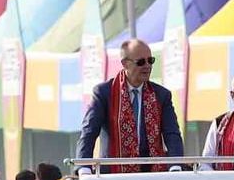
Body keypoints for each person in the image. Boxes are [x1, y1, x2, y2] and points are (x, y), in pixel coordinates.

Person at [77, 39, 184, 172]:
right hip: (112, 177)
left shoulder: (161, 95)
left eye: (150, 61)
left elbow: (172, 134)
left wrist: (175, 165)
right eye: (140, 62)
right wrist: (84, 167)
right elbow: (89, 132)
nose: (147, 66)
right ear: (125, 64)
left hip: (152, 176)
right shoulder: (104, 93)